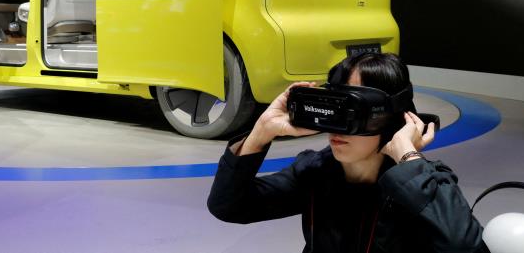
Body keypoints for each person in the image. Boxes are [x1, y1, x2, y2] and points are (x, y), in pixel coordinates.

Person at [208, 52, 490, 253]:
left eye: (352, 113)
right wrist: (261, 132)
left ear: (390, 119)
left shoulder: (424, 186)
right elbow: (228, 205)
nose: (337, 128)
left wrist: (408, 159)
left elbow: (466, 247)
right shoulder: (316, 172)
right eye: (333, 108)